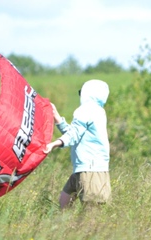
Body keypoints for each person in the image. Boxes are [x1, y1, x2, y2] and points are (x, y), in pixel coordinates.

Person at [44, 79, 112, 209]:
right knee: (64, 203)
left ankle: (78, 228)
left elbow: (74, 135)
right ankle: (70, 228)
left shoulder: (86, 110)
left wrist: (54, 144)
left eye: (82, 92)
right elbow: (76, 133)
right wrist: (57, 118)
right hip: (83, 169)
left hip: (91, 170)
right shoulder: (97, 111)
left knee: (91, 215)